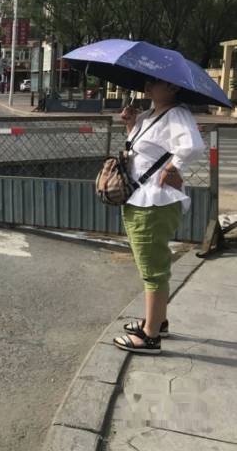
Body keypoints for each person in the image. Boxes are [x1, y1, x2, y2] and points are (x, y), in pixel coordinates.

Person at [113, 78, 205, 355]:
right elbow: (140, 151)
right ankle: (157, 321)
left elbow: (192, 145)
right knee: (150, 264)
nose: (148, 87)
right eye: (147, 82)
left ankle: (150, 336)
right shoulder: (148, 115)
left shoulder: (177, 114)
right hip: (140, 198)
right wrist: (131, 124)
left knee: (153, 270)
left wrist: (172, 168)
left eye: (155, 82)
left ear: (173, 87)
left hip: (155, 201)